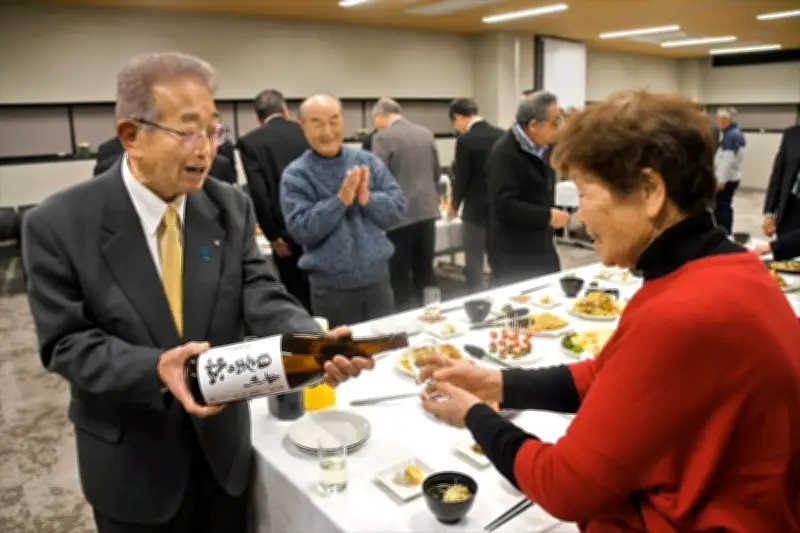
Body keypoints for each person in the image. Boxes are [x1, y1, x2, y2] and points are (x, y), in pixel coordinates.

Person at [411, 92, 800, 531]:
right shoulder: (731, 269)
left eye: (584, 193)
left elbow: (563, 486)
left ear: (650, 191)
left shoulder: (683, 312)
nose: (579, 217)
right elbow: (607, 375)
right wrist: (494, 382)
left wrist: (472, 414)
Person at [22, 52, 368, 533]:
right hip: (134, 464)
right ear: (130, 136)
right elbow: (65, 343)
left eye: (214, 130)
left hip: (223, 453)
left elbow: (257, 290)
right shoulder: (58, 225)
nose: (207, 149)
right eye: (188, 131)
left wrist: (309, 340)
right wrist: (156, 369)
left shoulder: (228, 205)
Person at [280, 94, 407, 327]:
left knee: (387, 351)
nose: (327, 131)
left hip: (378, 281)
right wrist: (340, 201)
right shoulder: (296, 174)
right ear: (302, 125)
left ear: (343, 120)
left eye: (334, 121)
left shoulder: (366, 161)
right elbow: (301, 230)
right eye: (317, 123)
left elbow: (398, 209)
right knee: (341, 359)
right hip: (331, 291)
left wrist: (367, 199)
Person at [238, 89, 312, 311]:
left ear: (258, 117)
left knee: (296, 294)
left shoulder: (251, 142)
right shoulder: (306, 132)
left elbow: (258, 193)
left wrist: (273, 236)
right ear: (284, 109)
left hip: (285, 230)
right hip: (317, 223)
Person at [487, 91, 569, 287]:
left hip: (541, 243)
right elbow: (504, 204)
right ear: (533, 125)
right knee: (518, 311)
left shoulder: (542, 148)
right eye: (554, 123)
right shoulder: (504, 153)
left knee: (550, 296)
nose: (558, 130)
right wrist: (546, 215)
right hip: (514, 252)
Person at [371, 97, 440, 310]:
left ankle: (404, 320)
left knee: (399, 273)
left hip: (399, 216)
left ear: (381, 115)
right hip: (427, 211)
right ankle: (433, 315)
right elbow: (436, 172)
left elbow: (376, 178)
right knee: (425, 270)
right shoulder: (425, 133)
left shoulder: (382, 138)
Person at [447, 98, 503, 292]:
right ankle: (501, 290)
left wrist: (454, 205)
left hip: (475, 208)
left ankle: (476, 296)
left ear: (458, 116)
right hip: (499, 206)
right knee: (497, 254)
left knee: (474, 258)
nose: (456, 127)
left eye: (454, 122)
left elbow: (462, 177)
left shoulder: (465, 140)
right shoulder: (502, 135)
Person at [755, 124, 800, 260]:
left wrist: (772, 247)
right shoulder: (792, 134)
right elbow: (778, 174)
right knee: (785, 263)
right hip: (790, 206)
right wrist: (770, 212)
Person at [713, 108, 746, 234]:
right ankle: (725, 231)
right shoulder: (735, 133)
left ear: (724, 120)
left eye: (718, 120)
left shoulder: (730, 135)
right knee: (725, 205)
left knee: (722, 208)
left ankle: (724, 233)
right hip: (733, 176)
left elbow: (727, 160)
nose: (717, 123)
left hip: (727, 179)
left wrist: (721, 180)